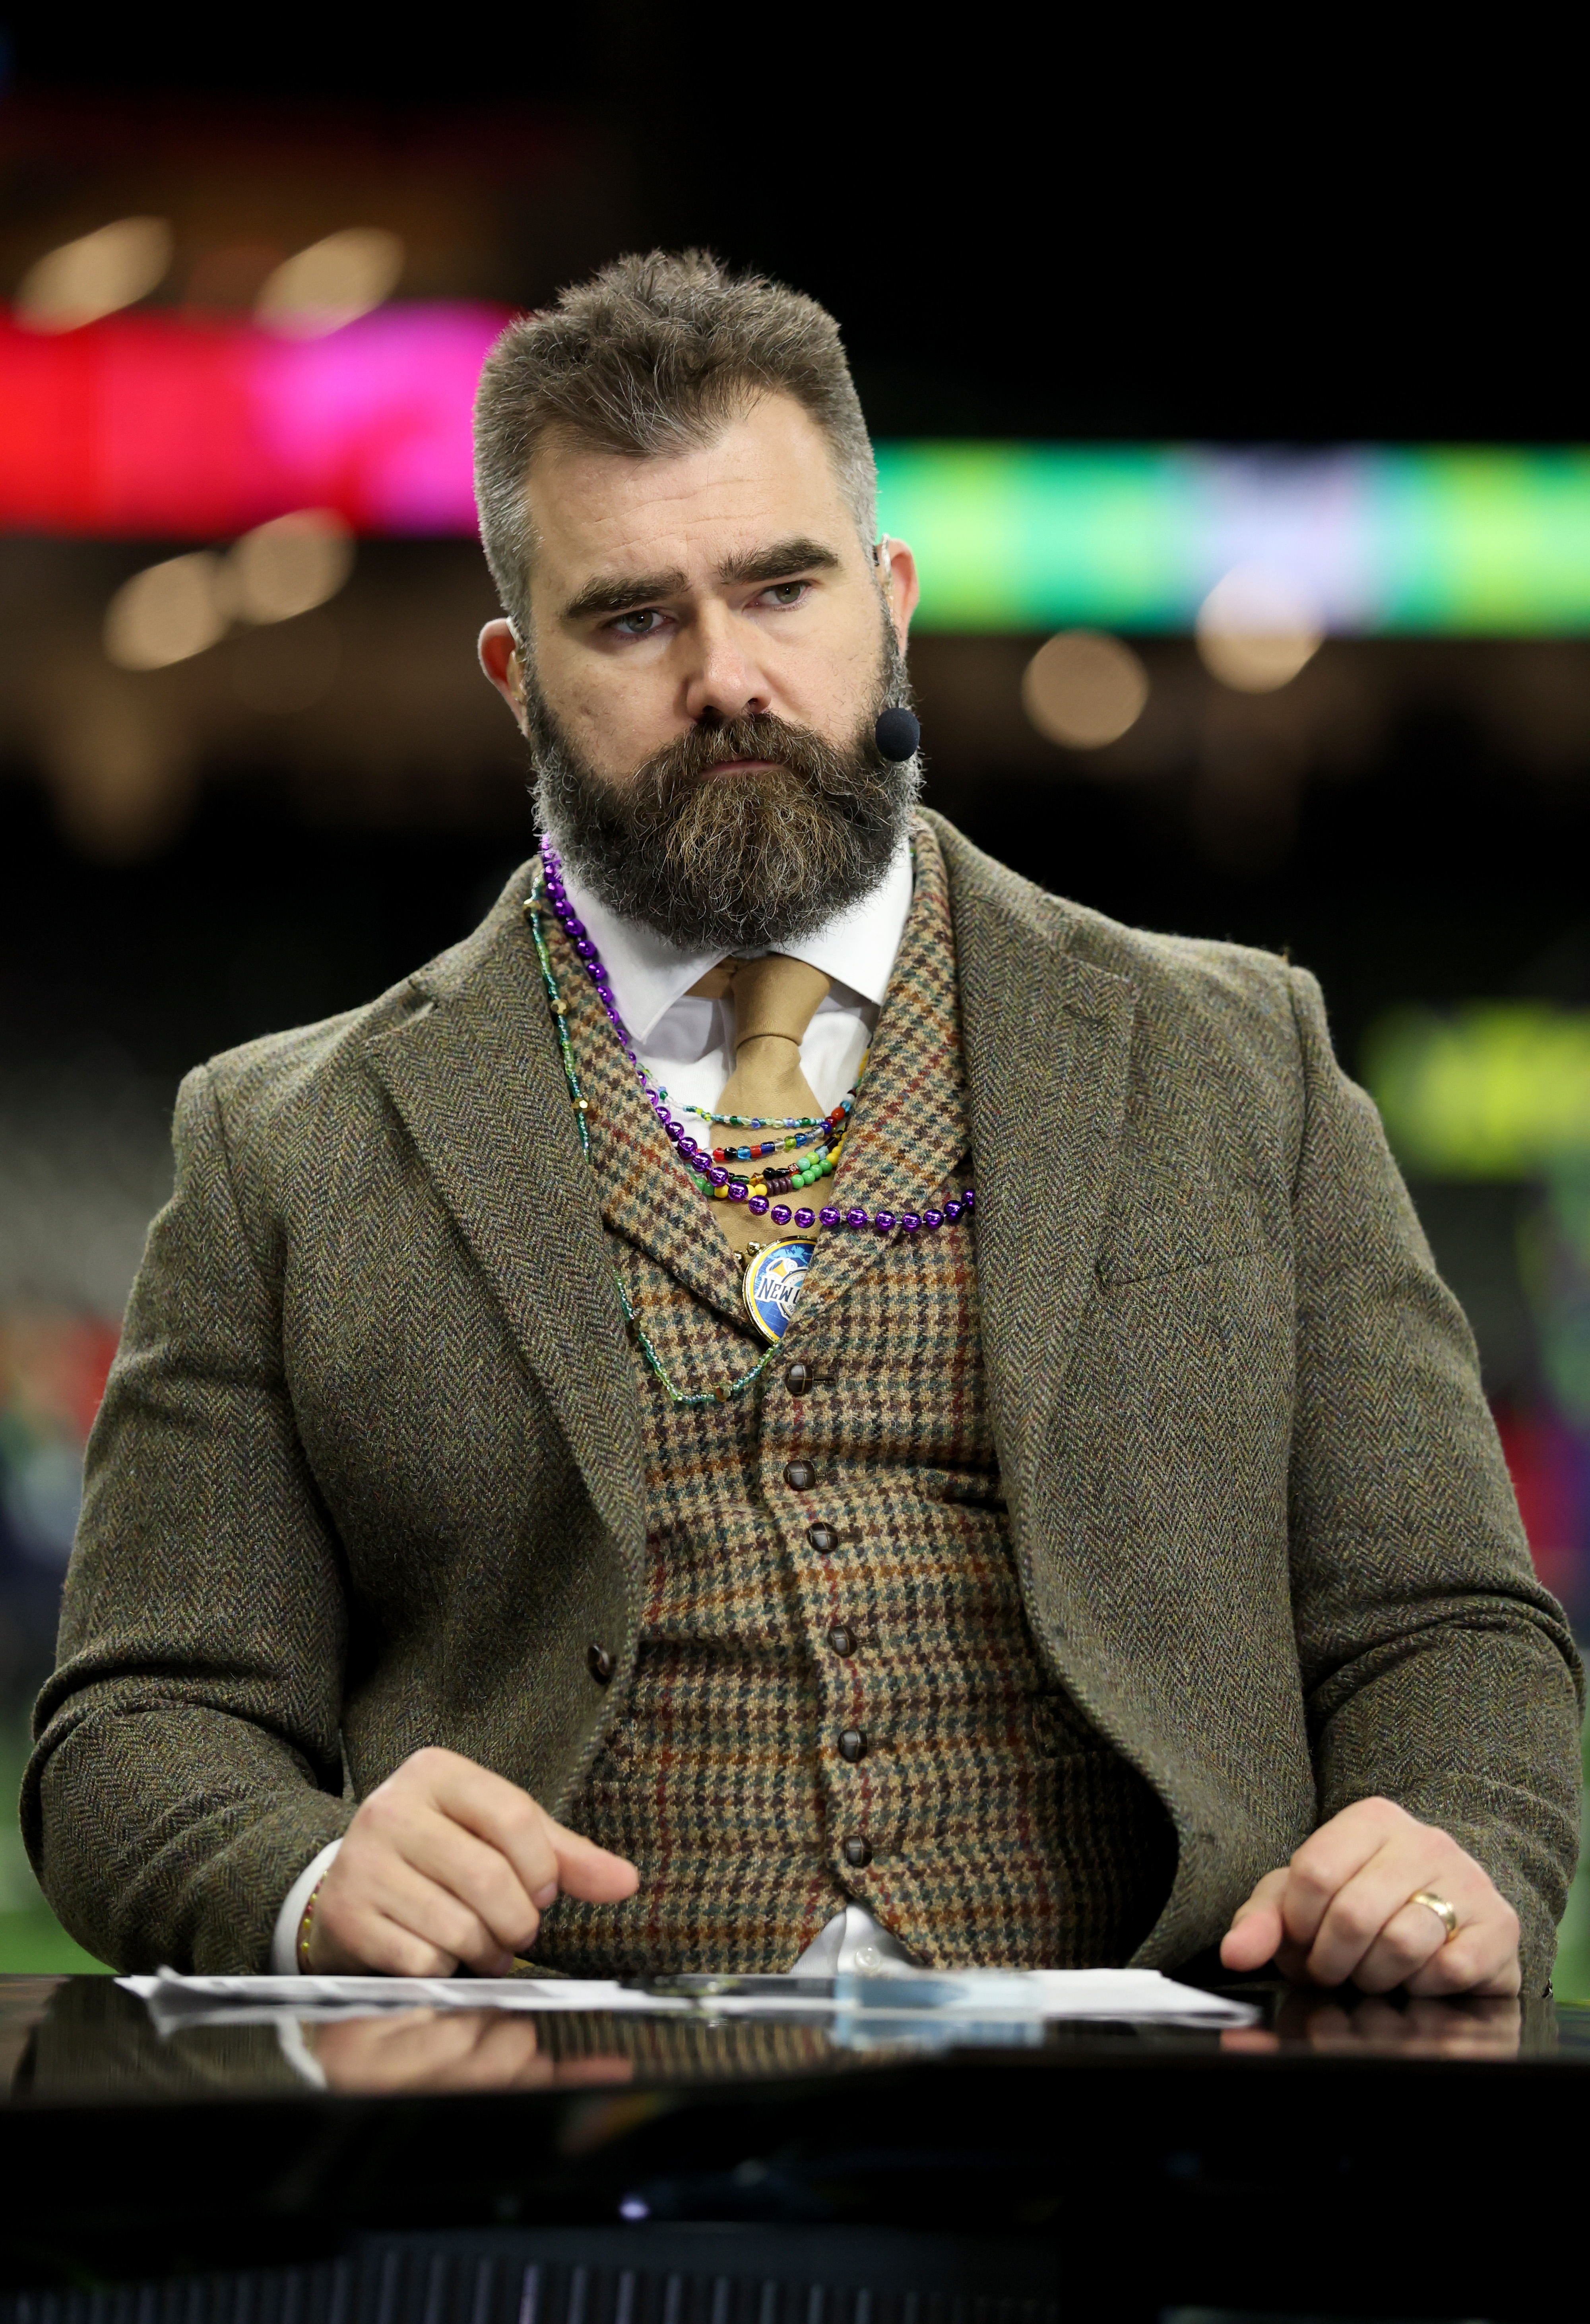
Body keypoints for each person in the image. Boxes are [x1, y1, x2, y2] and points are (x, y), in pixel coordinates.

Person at [26, 252, 1582, 2000]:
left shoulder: (1244, 1063)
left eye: (783, 590)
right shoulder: (281, 1145)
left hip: (1154, 2127)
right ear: (512, 677)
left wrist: (1457, 1838)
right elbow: (137, 1731)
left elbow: (1448, 1629)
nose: (727, 676)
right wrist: (308, 1874)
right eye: (631, 618)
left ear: (890, 600)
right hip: (533, 2143)